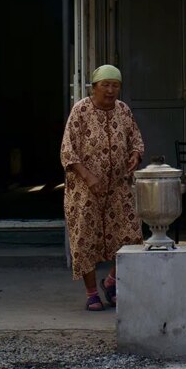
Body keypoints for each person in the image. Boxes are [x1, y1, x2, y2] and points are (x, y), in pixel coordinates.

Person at [60, 64, 145, 311]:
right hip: (85, 189)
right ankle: (91, 293)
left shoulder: (124, 110)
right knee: (85, 238)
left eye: (115, 85)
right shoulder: (81, 111)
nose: (110, 91)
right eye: (105, 85)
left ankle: (110, 281)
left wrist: (135, 156)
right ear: (94, 87)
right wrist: (88, 177)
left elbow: (136, 140)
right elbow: (67, 151)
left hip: (118, 186)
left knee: (131, 235)